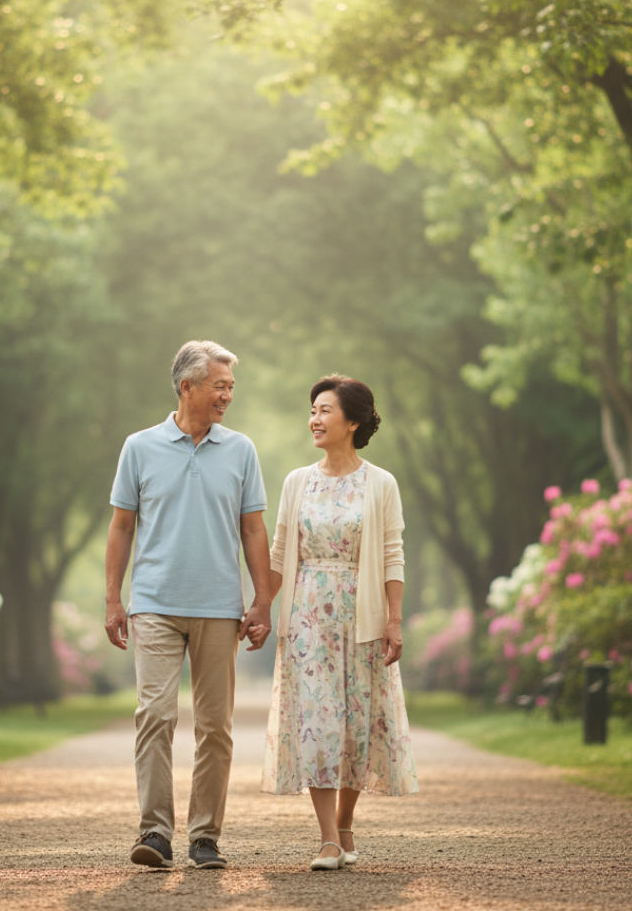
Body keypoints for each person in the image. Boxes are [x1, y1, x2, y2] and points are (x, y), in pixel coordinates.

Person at [105, 340, 273, 871]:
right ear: (187, 387)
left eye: (230, 386)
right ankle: (155, 832)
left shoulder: (241, 450)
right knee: (154, 715)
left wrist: (262, 598)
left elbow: (253, 528)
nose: (228, 394)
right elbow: (121, 525)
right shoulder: (139, 446)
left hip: (220, 607)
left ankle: (205, 837)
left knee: (215, 725)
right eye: (219, 385)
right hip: (153, 603)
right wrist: (114, 599)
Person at [262, 374, 419, 869]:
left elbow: (393, 556)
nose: (314, 418)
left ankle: (346, 825)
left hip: (363, 615)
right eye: (312, 409)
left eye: (325, 410)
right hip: (309, 617)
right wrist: (260, 608)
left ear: (352, 421)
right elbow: (280, 553)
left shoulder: (381, 483)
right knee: (319, 722)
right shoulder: (296, 482)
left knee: (357, 725)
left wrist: (394, 621)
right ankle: (328, 838)